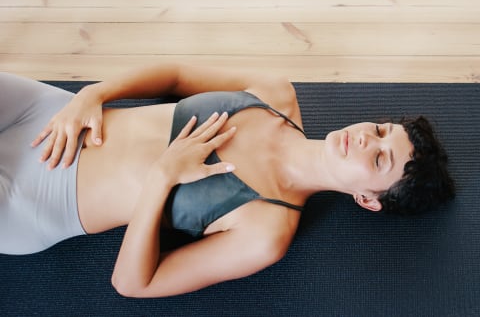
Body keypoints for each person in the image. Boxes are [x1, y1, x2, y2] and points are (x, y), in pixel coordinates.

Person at [0, 63, 454, 297]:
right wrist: (92, 95)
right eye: (378, 132)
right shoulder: (275, 93)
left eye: (378, 160)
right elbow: (177, 73)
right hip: (48, 114)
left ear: (367, 199)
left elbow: (133, 283)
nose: (363, 140)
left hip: (36, 200)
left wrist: (163, 177)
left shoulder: (266, 232)